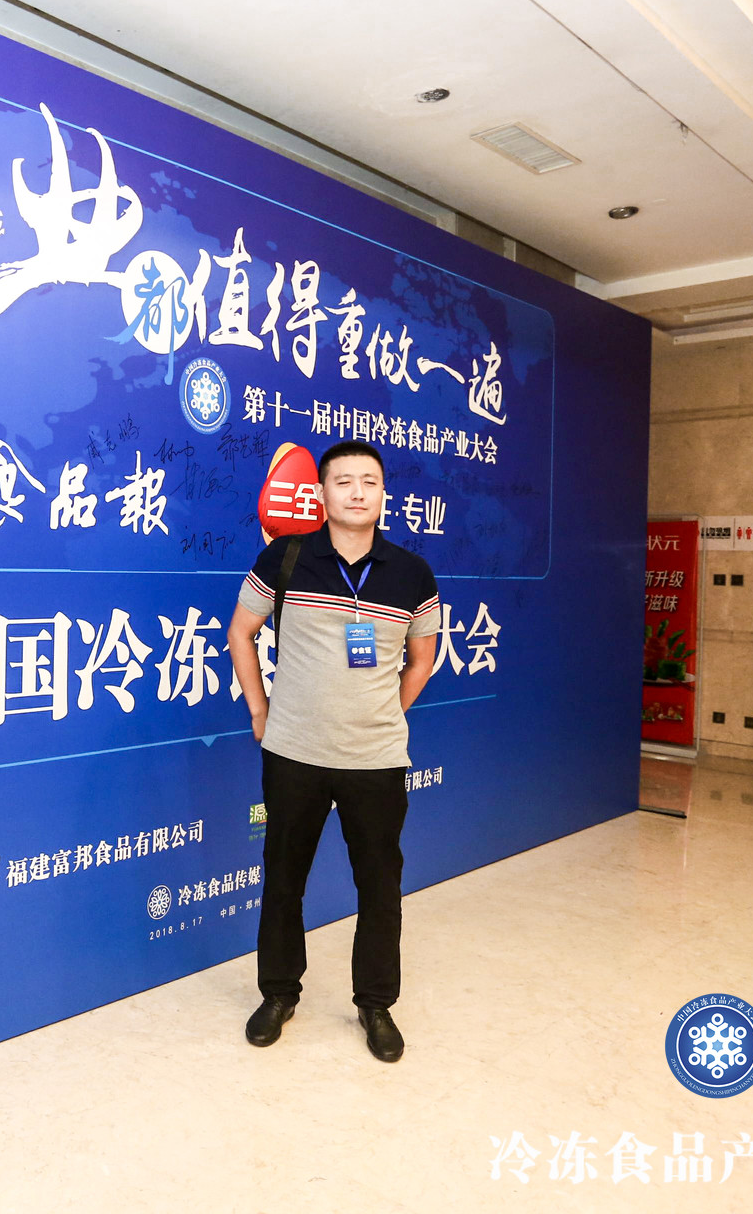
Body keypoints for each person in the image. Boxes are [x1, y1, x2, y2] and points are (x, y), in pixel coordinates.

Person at [225, 440, 439, 1060]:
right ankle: (278, 994)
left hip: (376, 760)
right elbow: (240, 632)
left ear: (383, 494)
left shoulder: (411, 573)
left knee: (380, 887)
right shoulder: (286, 558)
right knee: (283, 879)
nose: (356, 492)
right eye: (343, 481)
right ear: (320, 493)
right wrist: (260, 711)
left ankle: (375, 1004)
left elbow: (421, 659)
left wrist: (385, 714)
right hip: (294, 753)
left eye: (369, 481)